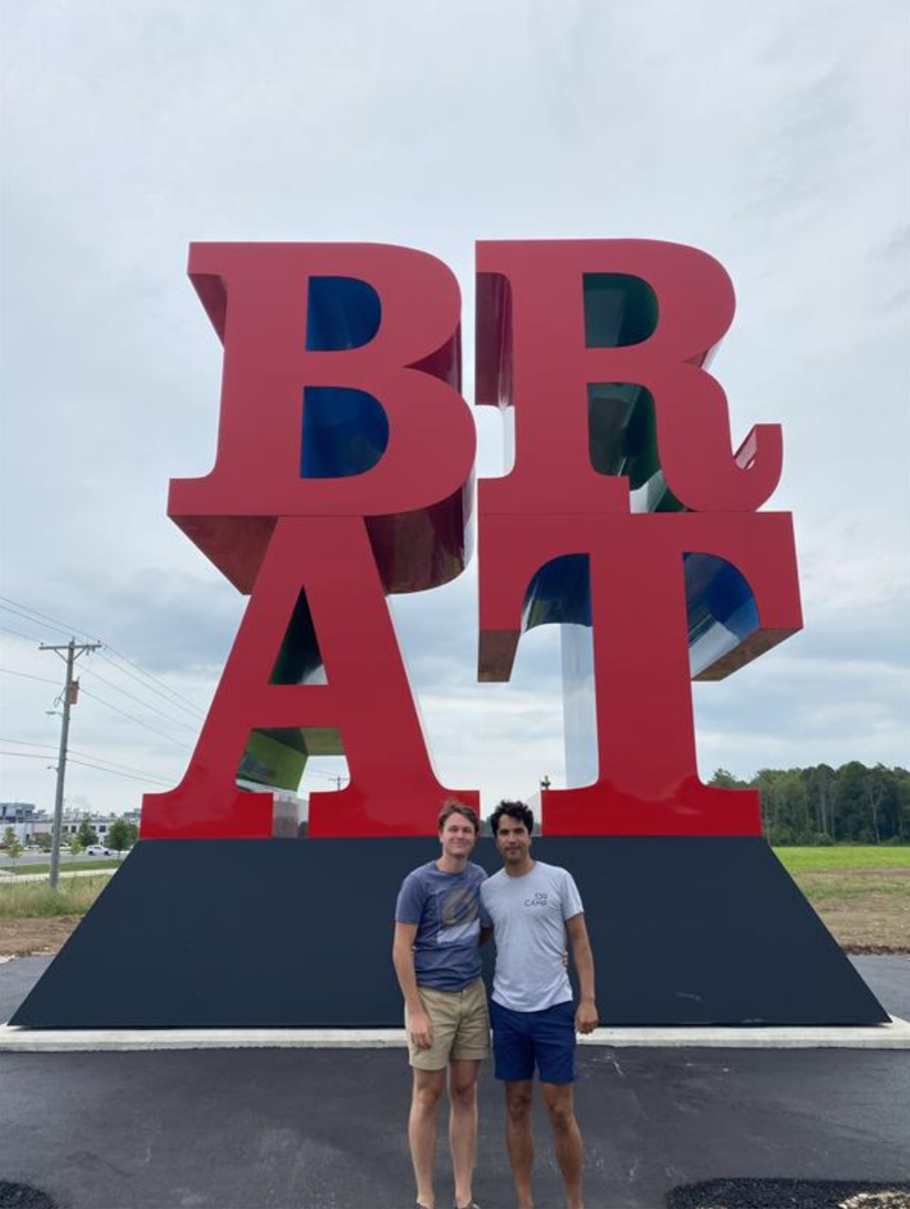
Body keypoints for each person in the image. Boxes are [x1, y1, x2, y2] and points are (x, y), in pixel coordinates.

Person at [480, 800, 598, 1209]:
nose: (511, 839)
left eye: (518, 831)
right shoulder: (488, 889)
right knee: (516, 1106)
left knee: (560, 1110)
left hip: (553, 1008)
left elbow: (579, 940)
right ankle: (524, 1201)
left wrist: (587, 999)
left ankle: (574, 1202)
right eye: (504, 832)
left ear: (530, 836)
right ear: (496, 840)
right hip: (507, 1012)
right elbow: (476, 937)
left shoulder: (558, 879)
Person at [393, 800, 489, 1209]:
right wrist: (415, 1009)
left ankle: (463, 1195)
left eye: (466, 830)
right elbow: (400, 948)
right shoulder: (418, 882)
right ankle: (426, 1196)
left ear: (475, 837)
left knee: (465, 1092)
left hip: (472, 995)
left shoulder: (480, 878)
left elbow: (485, 930)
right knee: (427, 1095)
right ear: (440, 834)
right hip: (431, 999)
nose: (460, 836)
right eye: (453, 829)